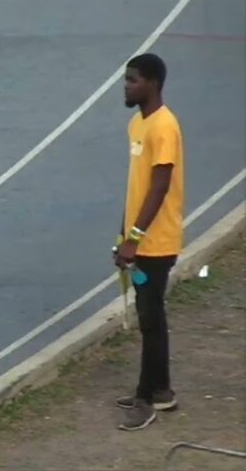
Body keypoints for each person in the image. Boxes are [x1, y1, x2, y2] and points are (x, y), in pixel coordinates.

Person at [113, 52, 184, 431]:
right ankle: (162, 391)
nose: (126, 85)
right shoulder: (136, 125)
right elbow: (135, 186)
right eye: (126, 79)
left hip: (157, 243)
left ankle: (145, 400)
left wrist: (136, 238)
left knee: (150, 319)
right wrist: (123, 237)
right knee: (152, 316)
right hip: (139, 242)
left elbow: (159, 186)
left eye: (133, 79)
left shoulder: (164, 127)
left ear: (153, 83)